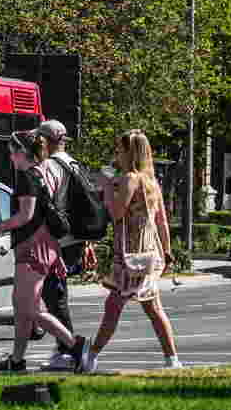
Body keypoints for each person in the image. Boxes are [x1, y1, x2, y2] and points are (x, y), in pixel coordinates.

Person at [0, 129, 87, 372]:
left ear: (22, 153)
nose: (10, 159)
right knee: (22, 308)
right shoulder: (41, 173)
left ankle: (74, 344)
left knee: (29, 309)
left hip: (32, 248)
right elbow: (42, 215)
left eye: (12, 154)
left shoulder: (27, 177)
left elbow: (25, 216)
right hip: (42, 245)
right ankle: (17, 360)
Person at [81, 130, 180, 373]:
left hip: (128, 257)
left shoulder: (130, 179)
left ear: (130, 152)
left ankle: (91, 357)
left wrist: (105, 188)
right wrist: (166, 252)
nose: (117, 154)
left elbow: (116, 213)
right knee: (153, 309)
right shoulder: (151, 182)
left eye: (120, 150)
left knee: (113, 308)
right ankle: (172, 360)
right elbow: (162, 222)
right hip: (147, 255)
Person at [36, 119, 98, 370]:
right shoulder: (74, 163)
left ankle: (69, 350)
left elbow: (47, 204)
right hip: (74, 237)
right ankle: (66, 348)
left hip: (57, 239)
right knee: (56, 295)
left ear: (45, 141)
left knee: (54, 295)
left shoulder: (50, 166)